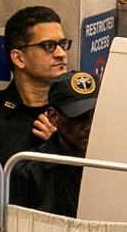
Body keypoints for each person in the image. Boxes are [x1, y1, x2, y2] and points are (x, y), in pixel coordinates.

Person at [0, 5, 72, 197]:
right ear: (18, 58)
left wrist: (63, 145)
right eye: (48, 46)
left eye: (62, 44)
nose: (61, 53)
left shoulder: (76, 114)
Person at [10, 70, 99, 217]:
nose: (89, 125)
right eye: (79, 117)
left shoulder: (112, 166)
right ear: (53, 117)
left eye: (94, 115)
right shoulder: (29, 172)